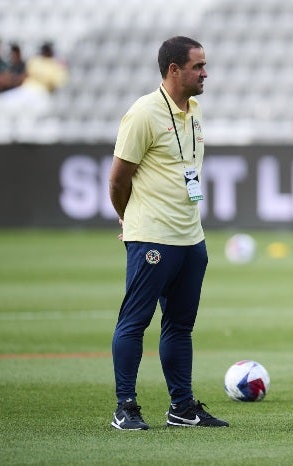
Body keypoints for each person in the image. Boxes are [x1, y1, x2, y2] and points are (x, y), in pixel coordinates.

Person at [108, 36, 228, 430]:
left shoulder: (193, 111)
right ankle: (125, 407)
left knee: (180, 325)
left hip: (191, 238)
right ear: (174, 70)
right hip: (152, 238)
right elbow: (117, 180)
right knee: (134, 321)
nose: (205, 72)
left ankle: (182, 407)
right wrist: (128, 219)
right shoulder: (143, 113)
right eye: (198, 66)